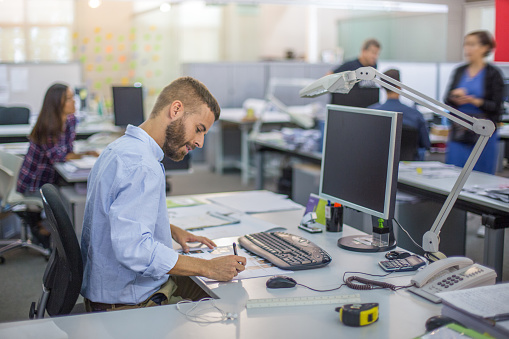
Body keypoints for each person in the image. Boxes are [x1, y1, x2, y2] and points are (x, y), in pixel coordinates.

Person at [80, 77, 246, 312]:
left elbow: (115, 214)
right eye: (199, 129)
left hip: (110, 290)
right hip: (129, 303)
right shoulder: (142, 165)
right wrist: (207, 267)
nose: (199, 142)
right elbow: (135, 250)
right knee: (231, 303)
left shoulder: (121, 149)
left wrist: (168, 229)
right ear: (176, 109)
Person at [16, 83, 81, 248]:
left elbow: (69, 149)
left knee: (75, 191)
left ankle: (45, 227)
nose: (74, 102)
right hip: (35, 183)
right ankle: (54, 238)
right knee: (68, 198)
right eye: (69, 98)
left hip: (51, 179)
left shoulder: (70, 120)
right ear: (57, 103)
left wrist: (77, 154)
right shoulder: (47, 127)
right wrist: (83, 155)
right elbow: (58, 157)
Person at [444, 30, 505, 175]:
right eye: (466, 44)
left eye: (472, 45)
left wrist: (475, 101)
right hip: (459, 131)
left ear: (485, 48)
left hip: (483, 134)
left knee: (481, 177)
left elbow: (497, 107)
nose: (467, 49)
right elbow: (446, 99)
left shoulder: (493, 74)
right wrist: (454, 96)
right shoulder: (459, 71)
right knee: (454, 174)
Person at [369, 69, 430, 160]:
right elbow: (426, 144)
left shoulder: (371, 112)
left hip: (379, 165)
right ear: (399, 86)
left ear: (382, 87)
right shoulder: (415, 115)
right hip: (409, 166)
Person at [328, 38, 381, 108]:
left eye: (377, 54)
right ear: (364, 51)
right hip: (348, 110)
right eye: (373, 53)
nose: (375, 57)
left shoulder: (373, 67)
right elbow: (328, 77)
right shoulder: (349, 66)